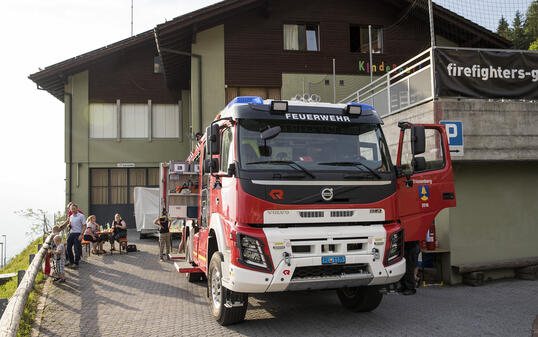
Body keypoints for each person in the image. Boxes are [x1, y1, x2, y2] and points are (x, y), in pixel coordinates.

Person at [63, 203, 86, 267]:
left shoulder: (81, 216)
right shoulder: (71, 216)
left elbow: (84, 225)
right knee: (68, 248)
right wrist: (69, 226)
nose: (72, 210)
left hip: (78, 233)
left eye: (74, 209)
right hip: (71, 233)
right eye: (71, 209)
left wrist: (81, 234)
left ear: (77, 209)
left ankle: (76, 263)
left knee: (76, 249)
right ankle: (71, 261)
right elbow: (70, 225)